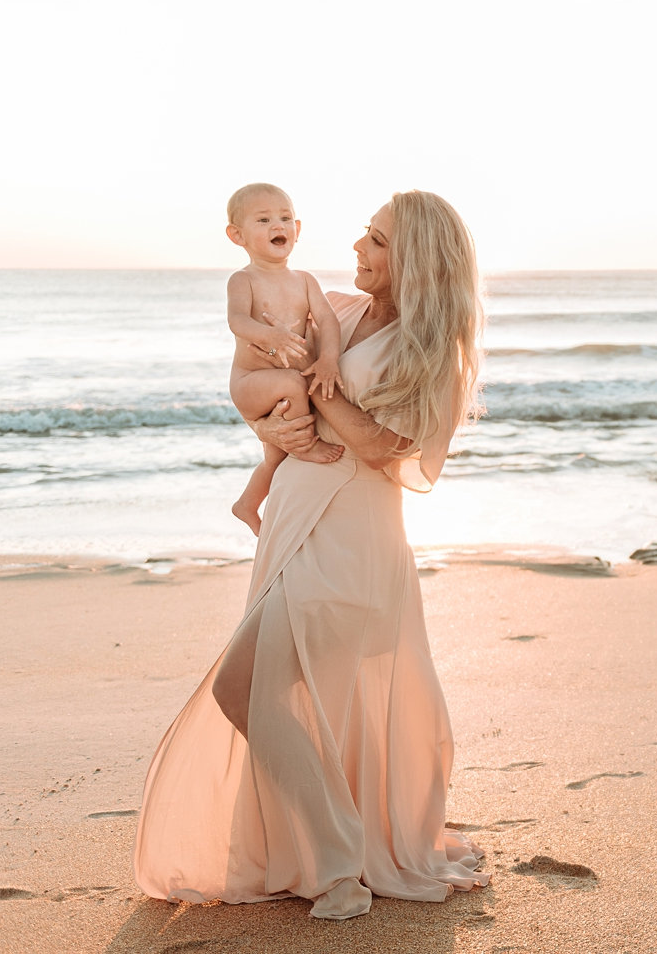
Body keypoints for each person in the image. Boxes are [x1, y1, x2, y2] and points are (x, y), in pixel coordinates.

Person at [134, 190, 489, 920]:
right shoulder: (338, 310)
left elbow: (383, 447)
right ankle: (337, 851)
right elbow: (253, 383)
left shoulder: (433, 353)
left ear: (415, 258)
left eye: (378, 239)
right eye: (364, 233)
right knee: (270, 693)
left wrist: (314, 400)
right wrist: (278, 421)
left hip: (351, 540)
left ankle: (338, 862)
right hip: (295, 524)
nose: (357, 247)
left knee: (244, 689)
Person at [224, 182, 344, 536]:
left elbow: (328, 320)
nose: (278, 226)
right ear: (237, 235)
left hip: (280, 388)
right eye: (262, 220)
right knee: (294, 382)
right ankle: (306, 447)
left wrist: (329, 360)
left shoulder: (305, 280)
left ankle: (246, 504)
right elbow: (237, 321)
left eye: (285, 218)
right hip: (250, 382)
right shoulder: (243, 280)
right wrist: (271, 336)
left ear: (298, 229)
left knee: (275, 457)